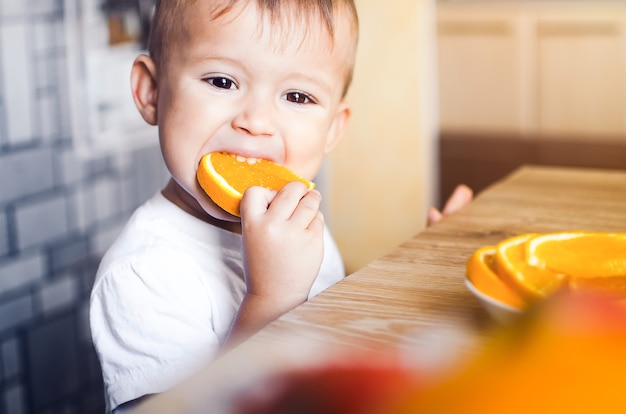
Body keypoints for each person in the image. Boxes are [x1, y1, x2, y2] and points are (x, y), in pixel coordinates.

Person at [89, 0, 471, 412]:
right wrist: (271, 300)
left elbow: (336, 333)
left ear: (332, 129)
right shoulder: (144, 272)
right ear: (152, 92)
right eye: (222, 82)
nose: (257, 120)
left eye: (297, 95)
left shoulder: (296, 219)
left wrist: (434, 278)